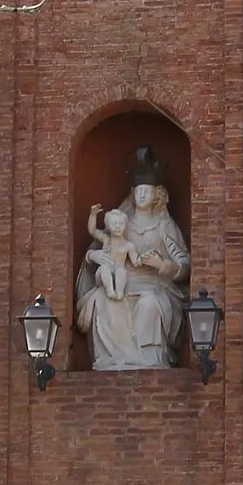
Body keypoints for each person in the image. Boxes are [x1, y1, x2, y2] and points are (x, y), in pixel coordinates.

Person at [75, 146, 189, 369]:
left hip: (156, 287)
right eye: (138, 190)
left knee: (149, 304)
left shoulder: (164, 226)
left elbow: (184, 265)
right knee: (103, 299)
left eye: (146, 189)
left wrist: (162, 265)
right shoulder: (121, 221)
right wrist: (93, 255)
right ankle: (112, 359)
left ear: (157, 194)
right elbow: (100, 244)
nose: (142, 194)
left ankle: (150, 360)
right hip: (122, 283)